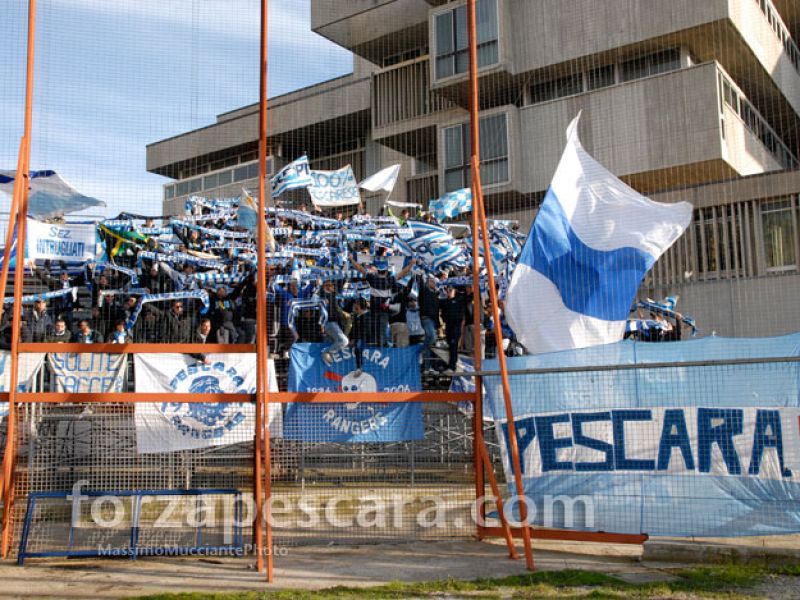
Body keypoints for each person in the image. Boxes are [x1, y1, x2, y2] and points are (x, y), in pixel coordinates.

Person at [351, 256, 415, 347]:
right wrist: (411, 264)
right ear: (386, 271)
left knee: (369, 331)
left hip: (372, 312)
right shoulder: (390, 280)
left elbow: (360, 268)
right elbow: (404, 273)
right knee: (382, 334)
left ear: (377, 271)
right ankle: (381, 350)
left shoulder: (372, 278)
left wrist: (352, 259)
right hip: (384, 312)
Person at [318, 278, 350, 365]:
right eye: (330, 285)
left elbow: (342, 279)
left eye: (332, 285)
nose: (333, 287)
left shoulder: (334, 295)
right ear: (325, 286)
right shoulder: (322, 294)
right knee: (344, 341)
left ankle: (327, 360)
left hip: (335, 324)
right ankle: (326, 353)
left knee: (334, 342)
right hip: (329, 323)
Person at [349, 297, 382, 375]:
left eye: (356, 304)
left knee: (358, 346)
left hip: (366, 338)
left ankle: (359, 367)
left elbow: (365, 331)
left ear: (360, 306)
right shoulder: (356, 316)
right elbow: (353, 330)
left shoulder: (367, 316)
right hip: (359, 338)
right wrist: (351, 338)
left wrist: (354, 339)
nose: (354, 306)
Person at [440, 286, 465, 374]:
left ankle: (452, 366)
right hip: (448, 326)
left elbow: (470, 296)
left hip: (456, 326)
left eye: (451, 290)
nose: (449, 292)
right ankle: (450, 364)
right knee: (450, 345)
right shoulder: (444, 302)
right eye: (448, 290)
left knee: (454, 345)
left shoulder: (459, 300)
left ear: (454, 291)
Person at [418, 275, 440, 373]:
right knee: (432, 337)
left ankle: (428, 367)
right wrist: (423, 274)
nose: (434, 283)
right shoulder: (424, 291)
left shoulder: (435, 295)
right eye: (432, 281)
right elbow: (421, 284)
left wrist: (438, 324)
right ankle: (420, 350)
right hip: (426, 318)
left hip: (433, 320)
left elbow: (436, 311)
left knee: (431, 344)